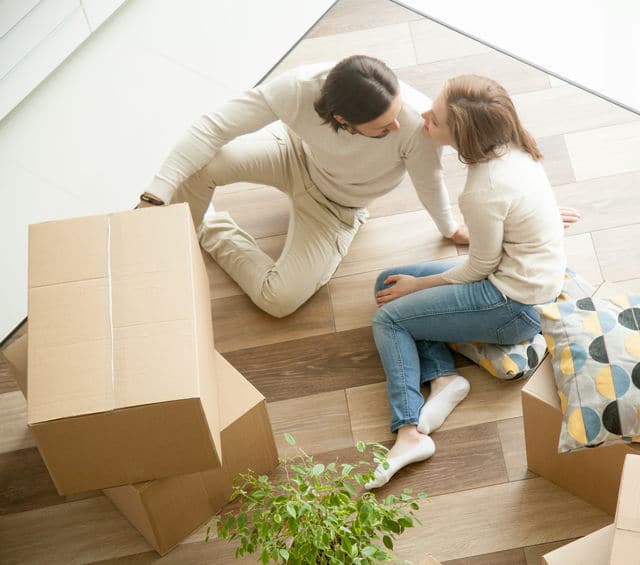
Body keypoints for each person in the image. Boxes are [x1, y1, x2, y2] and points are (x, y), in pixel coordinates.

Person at [366, 75, 579, 489]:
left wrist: (419, 287)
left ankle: (408, 433)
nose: (425, 115)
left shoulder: (483, 191)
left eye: (437, 118)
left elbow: (478, 267)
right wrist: (544, 220)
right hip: (524, 276)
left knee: (389, 318)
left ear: (462, 135)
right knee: (387, 282)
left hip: (512, 306)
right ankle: (445, 379)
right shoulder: (514, 143)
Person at [137, 55, 467, 318]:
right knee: (202, 165)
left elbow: (430, 181)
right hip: (291, 153)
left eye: (396, 115)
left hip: (336, 206)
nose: (396, 125)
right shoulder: (299, 87)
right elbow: (213, 127)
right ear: (341, 119)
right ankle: (177, 240)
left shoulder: (414, 124)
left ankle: (210, 228)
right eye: (382, 127)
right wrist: (155, 196)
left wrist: (449, 228)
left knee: (280, 300)